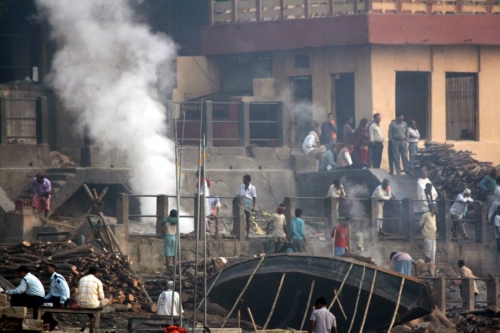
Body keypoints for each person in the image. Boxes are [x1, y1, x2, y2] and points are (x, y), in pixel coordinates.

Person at [43, 264, 71, 331]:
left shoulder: (57, 278)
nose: (46, 269)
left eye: (47, 268)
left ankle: (51, 323)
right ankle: (51, 322)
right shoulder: (52, 278)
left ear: (53, 268)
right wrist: (43, 298)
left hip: (61, 300)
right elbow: (52, 293)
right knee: (41, 303)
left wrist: (62, 302)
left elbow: (64, 290)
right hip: (56, 298)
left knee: (43, 305)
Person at [195, 167, 211, 232]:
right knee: (202, 214)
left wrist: (198, 195)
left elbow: (204, 191)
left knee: (205, 214)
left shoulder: (204, 181)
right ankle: (204, 229)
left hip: (204, 200)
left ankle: (207, 229)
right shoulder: (201, 181)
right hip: (201, 199)